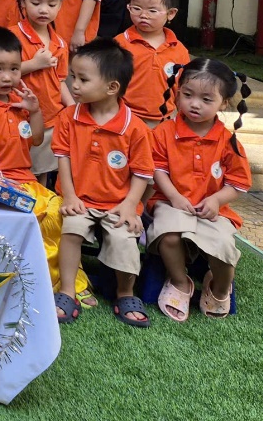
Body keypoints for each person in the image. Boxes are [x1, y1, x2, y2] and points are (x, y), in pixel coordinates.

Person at [0, 25, 90, 300]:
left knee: (60, 216)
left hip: (25, 180)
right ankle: (37, 284)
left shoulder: (19, 101)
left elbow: (36, 139)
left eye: (14, 69)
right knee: (34, 221)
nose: (7, 77)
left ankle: (67, 282)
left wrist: (33, 112)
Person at [53, 38, 153, 328]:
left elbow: (142, 173)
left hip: (117, 204)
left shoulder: (135, 127)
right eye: (73, 76)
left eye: (83, 79)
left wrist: (130, 206)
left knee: (125, 238)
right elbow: (64, 159)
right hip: (80, 200)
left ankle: (125, 294)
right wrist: (70, 197)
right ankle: (67, 291)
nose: (74, 85)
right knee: (71, 229)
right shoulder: (67, 117)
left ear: (112, 87)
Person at [150, 59, 253, 322]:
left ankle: (218, 287)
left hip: (213, 211)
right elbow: (157, 169)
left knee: (223, 248)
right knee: (169, 236)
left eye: (206, 99)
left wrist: (217, 200)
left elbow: (239, 182)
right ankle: (180, 282)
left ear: (224, 103)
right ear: (178, 92)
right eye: (187, 95)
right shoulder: (164, 131)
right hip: (171, 203)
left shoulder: (228, 140)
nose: (194, 104)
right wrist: (173, 196)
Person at [14, 0, 72, 180]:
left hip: (51, 118)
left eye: (51, 4)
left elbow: (61, 80)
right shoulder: (13, 36)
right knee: (20, 172)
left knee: (43, 174)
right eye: (36, 2)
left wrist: (72, 106)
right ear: (23, 1)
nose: (43, 10)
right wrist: (33, 64)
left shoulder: (60, 43)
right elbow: (0, 74)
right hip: (19, 116)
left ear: (61, 4)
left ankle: (42, 212)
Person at [116, 0, 189, 126]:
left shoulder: (179, 50)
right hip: (125, 118)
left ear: (171, 14)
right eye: (136, 8)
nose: (143, 15)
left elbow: (182, 89)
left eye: (152, 11)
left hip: (165, 122)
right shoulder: (120, 44)